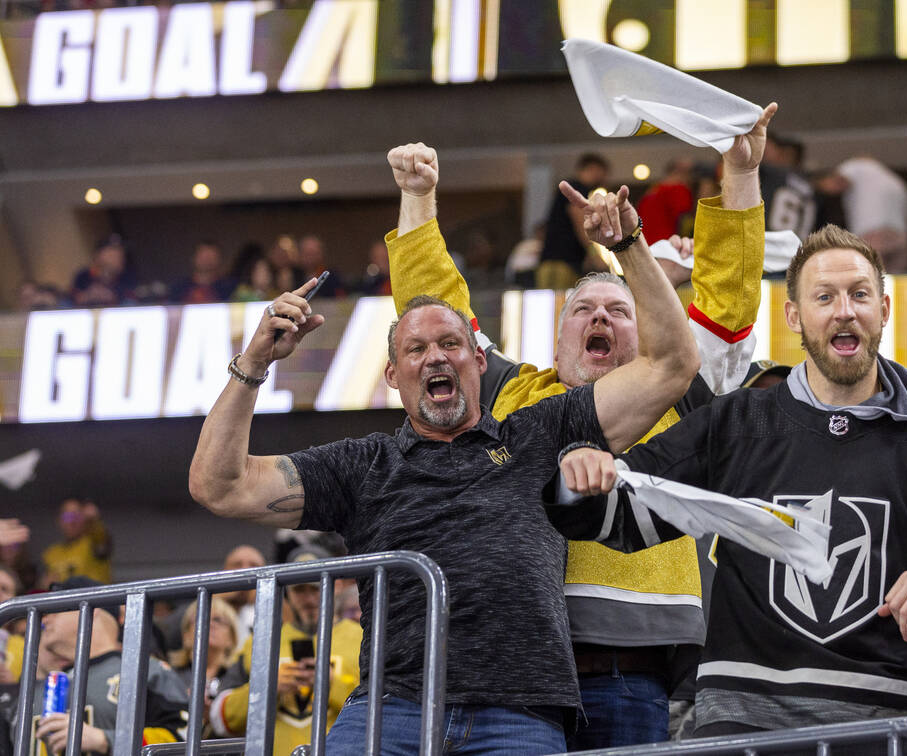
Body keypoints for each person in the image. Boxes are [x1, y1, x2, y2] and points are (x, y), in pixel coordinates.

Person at [187, 169, 699, 754]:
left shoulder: (538, 432)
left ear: (480, 362)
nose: (436, 356)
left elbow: (671, 365)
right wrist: (253, 364)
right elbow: (218, 485)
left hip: (520, 714)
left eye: (451, 344)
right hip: (392, 709)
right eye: (416, 348)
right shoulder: (362, 464)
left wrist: (628, 247)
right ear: (392, 376)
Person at [383, 102, 775, 750]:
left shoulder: (673, 387)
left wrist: (740, 173)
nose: (600, 317)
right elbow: (437, 321)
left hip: (626, 673)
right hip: (505, 674)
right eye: (583, 308)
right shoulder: (509, 390)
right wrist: (417, 199)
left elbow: (728, 298)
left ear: (647, 327)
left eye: (619, 310)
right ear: (558, 333)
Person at [553, 223, 907, 751]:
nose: (844, 310)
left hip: (890, 725)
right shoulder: (736, 423)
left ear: (884, 310)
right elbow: (618, 514)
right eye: (824, 297)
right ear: (794, 316)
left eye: (859, 294)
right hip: (742, 726)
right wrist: (580, 473)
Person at [209, 546, 362, 756]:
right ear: (288, 592)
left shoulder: (363, 637)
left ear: (338, 586)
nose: (308, 599)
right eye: (299, 589)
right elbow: (220, 717)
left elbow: (385, 711)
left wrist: (333, 685)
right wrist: (268, 688)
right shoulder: (261, 641)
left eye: (316, 588)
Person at [25, 577, 189, 755]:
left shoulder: (145, 671)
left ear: (91, 610)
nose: (45, 619)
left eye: (55, 610)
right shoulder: (40, 685)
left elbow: (182, 737)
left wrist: (105, 740)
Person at [817, 156, 907, 273]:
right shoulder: (892, 179)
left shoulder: (854, 167)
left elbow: (838, 182)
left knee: (873, 276)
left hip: (872, 231)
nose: (829, 192)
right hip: (900, 233)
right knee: (897, 276)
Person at [170, 596, 240, 734]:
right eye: (201, 617)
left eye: (218, 620)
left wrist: (215, 717)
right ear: (186, 636)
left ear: (231, 638)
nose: (209, 624)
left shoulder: (239, 681)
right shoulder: (169, 677)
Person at [538, 153, 609, 289]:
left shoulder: (575, 189)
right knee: (560, 306)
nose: (604, 178)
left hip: (558, 263)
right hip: (560, 263)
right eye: (603, 173)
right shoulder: (577, 188)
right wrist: (594, 255)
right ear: (594, 169)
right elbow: (581, 222)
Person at [41, 499, 112, 586]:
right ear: (59, 521)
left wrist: (94, 521)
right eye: (67, 517)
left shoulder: (94, 542)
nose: (72, 522)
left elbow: (102, 539)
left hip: (94, 598)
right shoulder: (51, 553)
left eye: (76, 516)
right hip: (64, 598)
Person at [637, 158, 695, 244]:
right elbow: (693, 216)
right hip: (665, 243)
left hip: (644, 244)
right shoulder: (677, 189)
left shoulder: (651, 191)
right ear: (678, 172)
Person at [69, 235, 137, 307]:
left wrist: (112, 298)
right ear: (98, 255)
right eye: (112, 251)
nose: (118, 255)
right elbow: (73, 298)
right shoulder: (83, 275)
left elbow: (132, 300)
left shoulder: (128, 276)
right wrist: (88, 296)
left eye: (121, 252)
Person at [169, 241, 234, 304]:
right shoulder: (179, 287)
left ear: (219, 260)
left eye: (211, 257)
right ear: (193, 258)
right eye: (203, 257)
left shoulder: (229, 288)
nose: (206, 261)